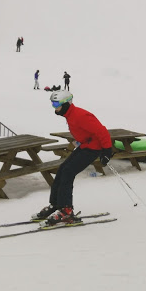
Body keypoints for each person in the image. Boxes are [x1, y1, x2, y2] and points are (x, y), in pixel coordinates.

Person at [33, 91, 112, 227]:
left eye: (56, 104)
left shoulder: (81, 115)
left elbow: (101, 131)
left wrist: (107, 150)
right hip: (84, 146)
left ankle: (66, 210)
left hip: (93, 149)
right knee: (62, 169)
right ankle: (56, 205)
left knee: (68, 172)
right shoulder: (69, 115)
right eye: (52, 103)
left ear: (66, 104)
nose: (54, 107)